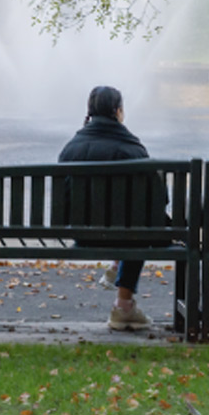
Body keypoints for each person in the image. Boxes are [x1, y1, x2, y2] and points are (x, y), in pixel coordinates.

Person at [58, 85, 163, 331]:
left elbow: (63, 200)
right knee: (139, 227)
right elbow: (158, 199)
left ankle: (116, 267)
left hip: (82, 235)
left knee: (132, 225)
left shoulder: (70, 150)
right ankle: (123, 305)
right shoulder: (132, 149)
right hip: (129, 237)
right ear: (118, 111)